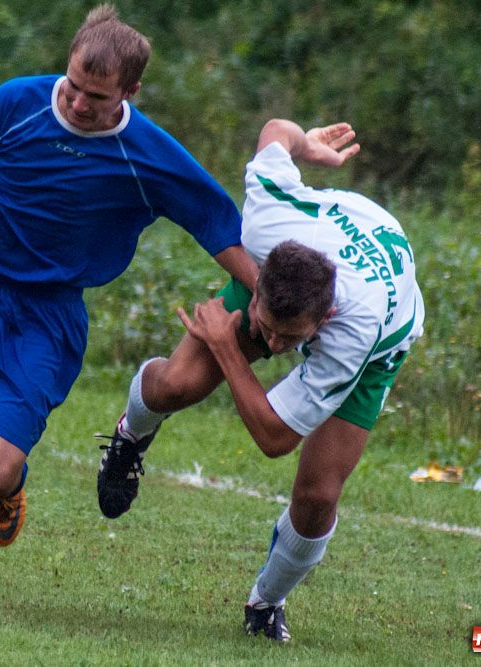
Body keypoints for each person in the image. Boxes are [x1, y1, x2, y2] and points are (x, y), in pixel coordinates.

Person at [0, 4, 257, 550]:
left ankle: (7, 490)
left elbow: (217, 227)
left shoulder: (150, 155)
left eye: (97, 97)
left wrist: (271, 298)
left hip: (46, 316)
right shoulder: (16, 102)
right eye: (73, 85)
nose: (78, 103)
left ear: (130, 91)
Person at [96, 118, 424, 641]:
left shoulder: (351, 332)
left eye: (286, 341)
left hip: (381, 333)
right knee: (177, 385)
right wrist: (306, 145)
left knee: (318, 496)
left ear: (320, 325)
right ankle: (131, 435)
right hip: (310, 249)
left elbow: (275, 438)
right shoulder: (268, 220)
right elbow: (275, 129)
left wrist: (229, 345)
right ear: (258, 276)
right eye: (264, 328)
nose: (272, 346)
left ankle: (265, 603)